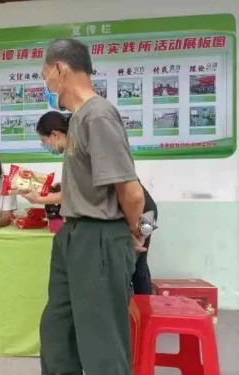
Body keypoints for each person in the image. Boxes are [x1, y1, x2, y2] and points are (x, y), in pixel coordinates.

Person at [34, 39, 146, 375]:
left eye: (45, 77)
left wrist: (133, 233)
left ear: (60, 69)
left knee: (101, 342)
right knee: (58, 334)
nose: (47, 85)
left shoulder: (98, 115)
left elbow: (132, 193)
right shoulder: (78, 119)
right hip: (72, 236)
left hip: (99, 238)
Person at [25, 111, 159, 295]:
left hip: (141, 210)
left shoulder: (80, 146)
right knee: (129, 267)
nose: (45, 145)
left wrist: (39, 199)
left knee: (135, 267)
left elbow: (75, 192)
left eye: (44, 141)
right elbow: (82, 185)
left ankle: (144, 311)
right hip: (130, 210)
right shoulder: (74, 150)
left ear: (55, 135)